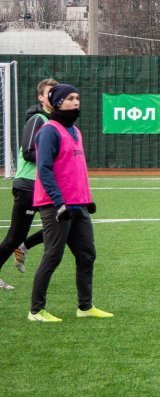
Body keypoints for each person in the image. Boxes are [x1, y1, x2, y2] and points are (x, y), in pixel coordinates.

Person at [28, 84, 113, 322]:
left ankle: (85, 307)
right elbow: (44, 170)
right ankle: (36, 310)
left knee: (87, 255)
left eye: (77, 98)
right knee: (53, 256)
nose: (76, 102)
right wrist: (59, 202)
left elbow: (75, 170)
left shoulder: (75, 130)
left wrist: (87, 199)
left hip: (78, 205)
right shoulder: (48, 131)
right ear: (57, 103)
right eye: (70, 98)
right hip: (56, 206)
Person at [0, 78, 58, 289]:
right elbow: (27, 152)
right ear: (41, 97)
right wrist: (57, 158)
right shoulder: (37, 119)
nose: (52, 96)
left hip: (46, 185)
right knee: (14, 236)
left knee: (63, 225)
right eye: (48, 93)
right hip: (29, 185)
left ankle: (23, 246)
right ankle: (21, 245)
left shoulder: (56, 122)